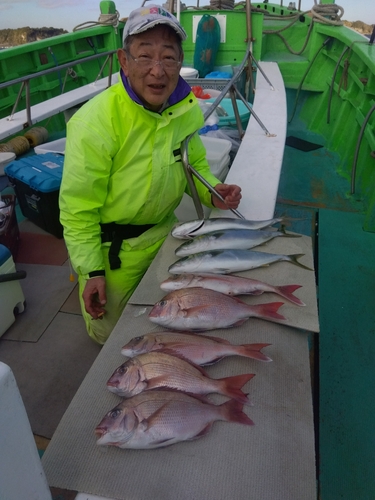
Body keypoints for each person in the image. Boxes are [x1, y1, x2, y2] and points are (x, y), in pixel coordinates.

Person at [59, 4, 242, 345]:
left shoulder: (183, 109)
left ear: (180, 61)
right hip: (114, 251)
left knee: (172, 321)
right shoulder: (95, 123)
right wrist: (92, 270)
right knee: (109, 336)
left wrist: (214, 190)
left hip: (167, 235)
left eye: (168, 58)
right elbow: (77, 210)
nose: (158, 71)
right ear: (123, 61)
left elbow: (195, 166)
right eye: (145, 56)